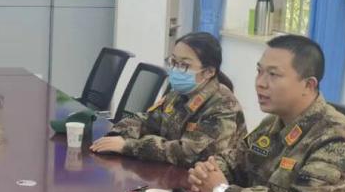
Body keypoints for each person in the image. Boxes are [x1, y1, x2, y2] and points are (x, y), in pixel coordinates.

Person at [187, 34, 345, 192]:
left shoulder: (338, 141)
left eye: (273, 75)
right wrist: (206, 173)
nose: (260, 83)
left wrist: (222, 191)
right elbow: (236, 161)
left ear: (308, 85)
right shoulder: (273, 123)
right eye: (259, 71)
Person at [90, 32, 246, 166]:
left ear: (209, 72)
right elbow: (148, 121)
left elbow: (189, 153)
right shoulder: (178, 93)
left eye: (184, 65)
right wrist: (116, 134)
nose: (176, 69)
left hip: (204, 184)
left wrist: (129, 146)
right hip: (170, 173)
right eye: (174, 62)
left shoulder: (224, 106)